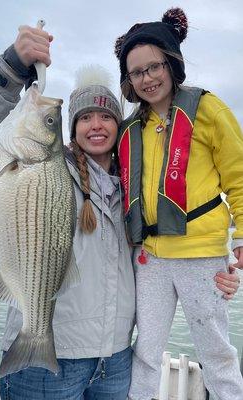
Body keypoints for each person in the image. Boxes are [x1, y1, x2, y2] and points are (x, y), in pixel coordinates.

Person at [0, 24, 240, 400]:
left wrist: (217, 268)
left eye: (106, 116)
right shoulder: (44, 172)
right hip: (48, 365)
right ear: (71, 128)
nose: (96, 125)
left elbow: (161, 256)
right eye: (84, 117)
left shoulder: (133, 189)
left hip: (116, 363)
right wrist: (10, 69)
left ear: (119, 126)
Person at [114, 7, 243, 400]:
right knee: (146, 352)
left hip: (202, 255)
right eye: (137, 72)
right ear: (128, 81)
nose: (147, 78)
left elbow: (239, 178)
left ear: (171, 64)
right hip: (149, 258)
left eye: (154, 67)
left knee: (216, 353)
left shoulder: (208, 109)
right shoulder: (129, 129)